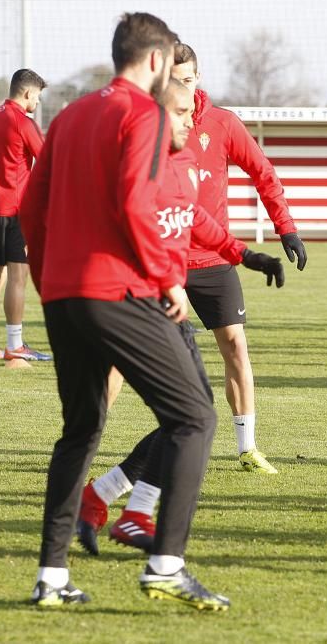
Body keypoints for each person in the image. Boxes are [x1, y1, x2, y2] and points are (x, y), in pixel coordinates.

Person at [20, 12, 228, 609]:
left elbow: (33, 208)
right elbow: (137, 204)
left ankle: (51, 579)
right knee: (194, 418)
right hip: (115, 290)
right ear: (160, 61)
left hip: (63, 295)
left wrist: (47, 281)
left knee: (80, 431)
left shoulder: (69, 116)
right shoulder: (145, 114)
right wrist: (167, 278)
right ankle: (165, 564)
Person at [75, 79, 285, 555]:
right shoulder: (132, 166)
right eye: (183, 112)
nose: (193, 121)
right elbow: (127, 232)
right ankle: (126, 514)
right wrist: (164, 282)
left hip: (164, 304)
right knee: (192, 416)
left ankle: (110, 500)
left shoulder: (182, 161)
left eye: (192, 112)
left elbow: (190, 219)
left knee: (191, 416)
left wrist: (245, 255)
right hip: (137, 305)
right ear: (153, 117)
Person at [171, 43, 307, 474]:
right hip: (164, 264)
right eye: (173, 81)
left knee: (235, 347)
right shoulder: (146, 127)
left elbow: (264, 173)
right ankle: (88, 442)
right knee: (135, 360)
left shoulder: (223, 124)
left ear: (199, 77)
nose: (182, 88)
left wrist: (286, 228)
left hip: (214, 259)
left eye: (188, 79)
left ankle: (247, 447)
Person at [0, 68, 51, 361]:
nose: (38, 103)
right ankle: (15, 345)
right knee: (18, 276)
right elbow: (47, 163)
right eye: (38, 97)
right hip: (16, 210)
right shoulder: (23, 122)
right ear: (28, 92)